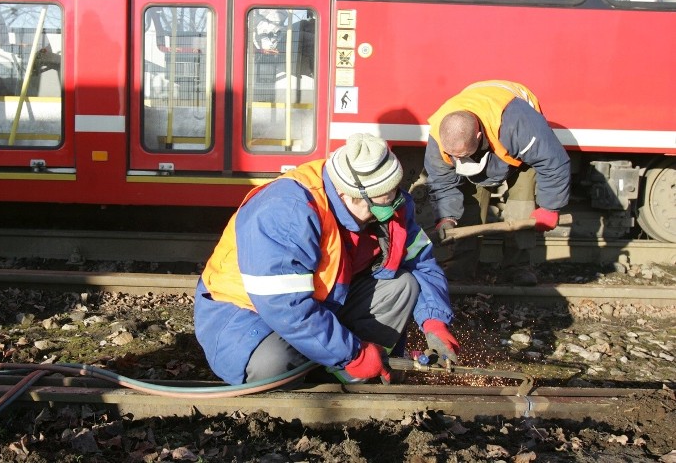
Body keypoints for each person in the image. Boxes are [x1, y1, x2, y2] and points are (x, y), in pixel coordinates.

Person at [194, 133, 458, 385]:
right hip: (246, 314)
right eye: (381, 204)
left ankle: (346, 376)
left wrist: (435, 321)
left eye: (394, 198)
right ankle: (337, 366)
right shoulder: (287, 212)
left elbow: (421, 261)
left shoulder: (389, 201)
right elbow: (287, 308)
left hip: (324, 304)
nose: (389, 212)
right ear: (346, 195)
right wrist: (354, 354)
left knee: (402, 285)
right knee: (274, 363)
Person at [423, 80, 571, 285]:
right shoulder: (439, 139)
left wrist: (550, 207)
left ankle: (518, 267)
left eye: (464, 154)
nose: (459, 160)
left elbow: (553, 161)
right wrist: (446, 217)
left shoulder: (518, 124)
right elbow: (442, 182)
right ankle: (461, 267)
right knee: (469, 207)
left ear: (478, 136)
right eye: (453, 156)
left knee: (522, 204)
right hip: (485, 139)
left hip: (517, 154)